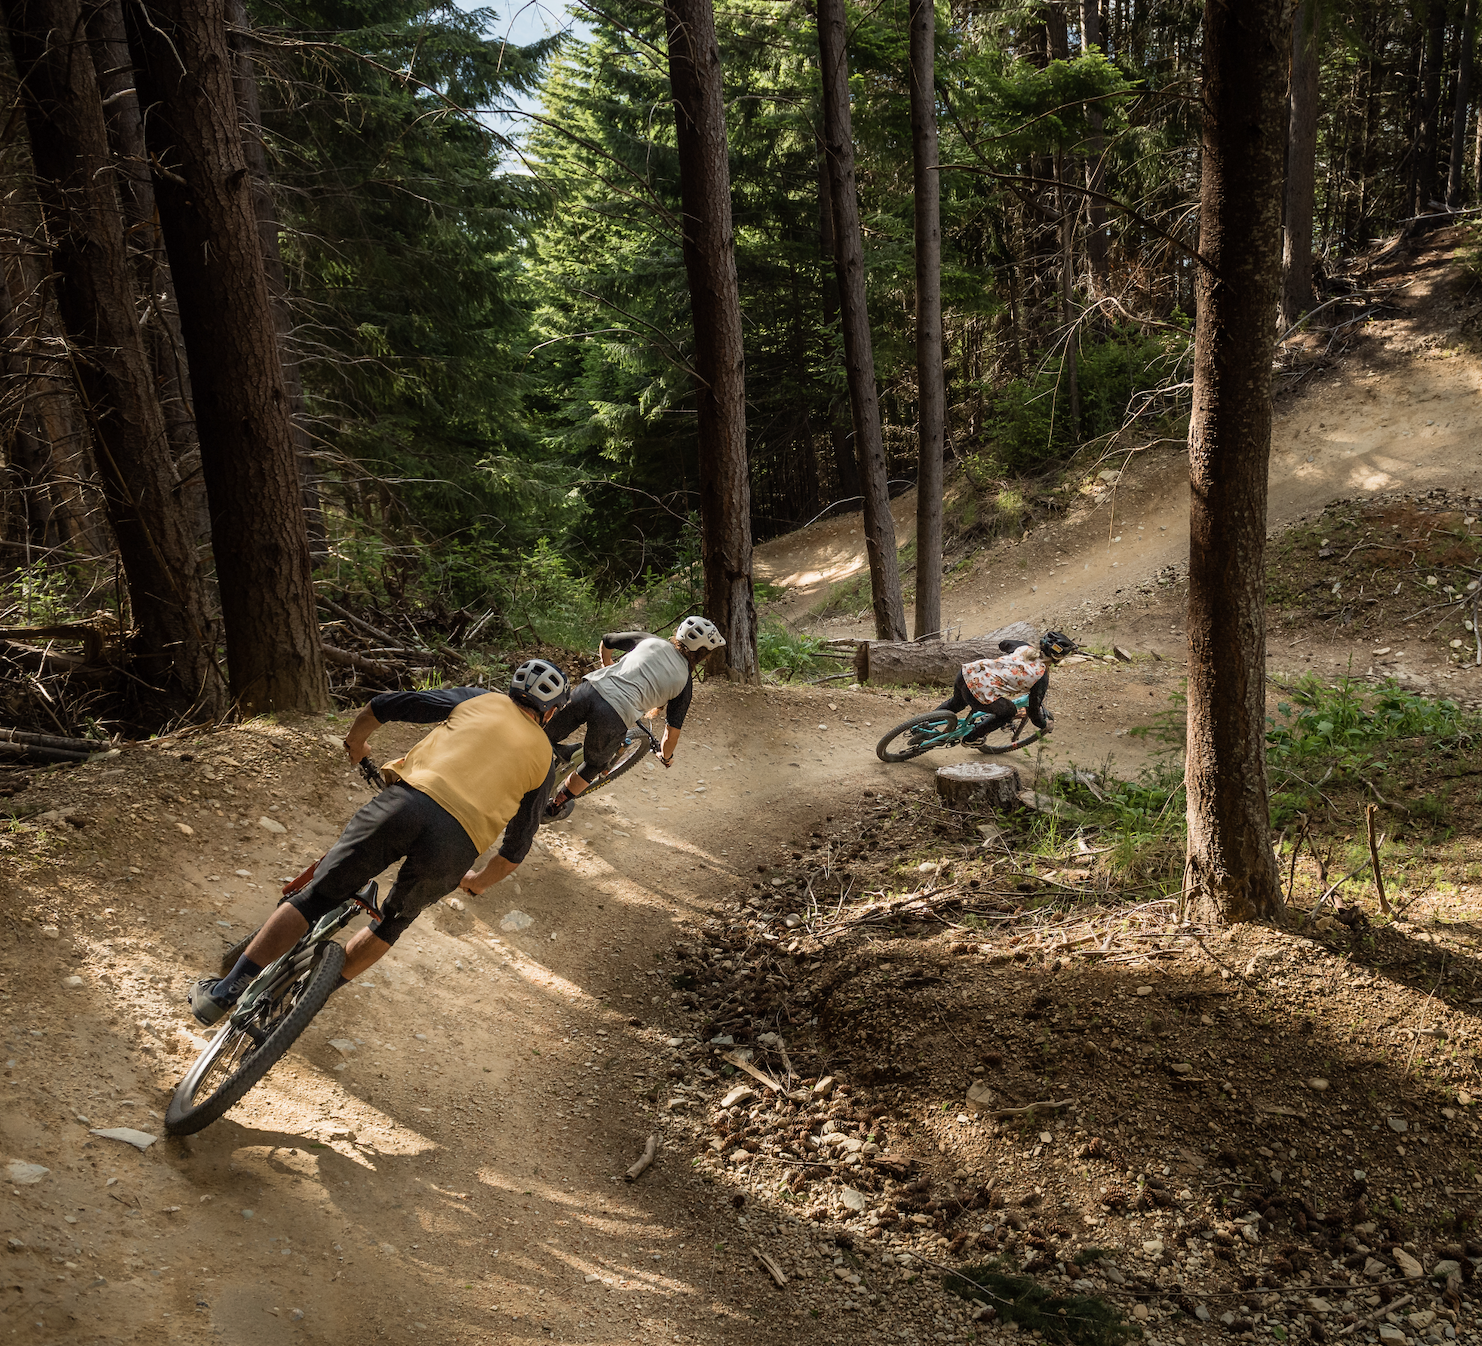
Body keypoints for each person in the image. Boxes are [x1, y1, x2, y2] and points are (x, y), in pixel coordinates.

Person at [187, 660, 569, 1026]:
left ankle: (224, 993)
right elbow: (517, 847)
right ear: (550, 713)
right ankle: (305, 1001)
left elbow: (387, 705)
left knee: (316, 897)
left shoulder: (480, 699)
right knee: (390, 924)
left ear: (512, 690)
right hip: (457, 845)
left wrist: (356, 742)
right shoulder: (545, 760)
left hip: (406, 804)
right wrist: (478, 881)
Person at [542, 615, 726, 818]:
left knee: (544, 735)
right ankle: (553, 807)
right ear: (703, 654)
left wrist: (607, 664)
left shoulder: (650, 640)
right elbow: (671, 734)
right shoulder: (684, 683)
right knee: (593, 765)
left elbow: (607, 640)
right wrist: (666, 756)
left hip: (590, 690)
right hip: (614, 715)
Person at [936, 629, 1077, 741]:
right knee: (1008, 712)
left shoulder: (1023, 647)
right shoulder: (1041, 677)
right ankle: (971, 739)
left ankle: (924, 724)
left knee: (956, 703)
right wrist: (1044, 724)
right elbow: (1033, 710)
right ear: (1057, 658)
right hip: (979, 691)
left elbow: (1003, 644)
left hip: (968, 672)